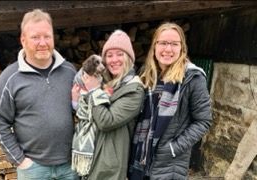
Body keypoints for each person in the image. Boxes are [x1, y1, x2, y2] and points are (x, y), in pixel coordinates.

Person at [0, 9, 78, 180]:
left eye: (47, 36)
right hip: (33, 169)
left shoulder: (69, 71)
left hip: (69, 165)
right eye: (35, 37)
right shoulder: (10, 78)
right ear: (23, 40)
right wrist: (21, 161)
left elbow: (81, 110)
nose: (43, 43)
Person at [128, 22, 212, 180]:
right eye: (163, 43)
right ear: (154, 46)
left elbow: (203, 121)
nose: (168, 49)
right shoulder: (146, 75)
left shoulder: (192, 78)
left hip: (168, 166)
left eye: (174, 44)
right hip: (139, 162)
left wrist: (173, 148)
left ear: (182, 48)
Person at [71, 29, 145, 179]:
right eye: (109, 55)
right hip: (91, 157)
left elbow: (106, 121)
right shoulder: (105, 82)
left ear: (129, 58)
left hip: (109, 167)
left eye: (120, 54)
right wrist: (76, 99)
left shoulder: (134, 90)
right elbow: (86, 113)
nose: (114, 60)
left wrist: (92, 91)